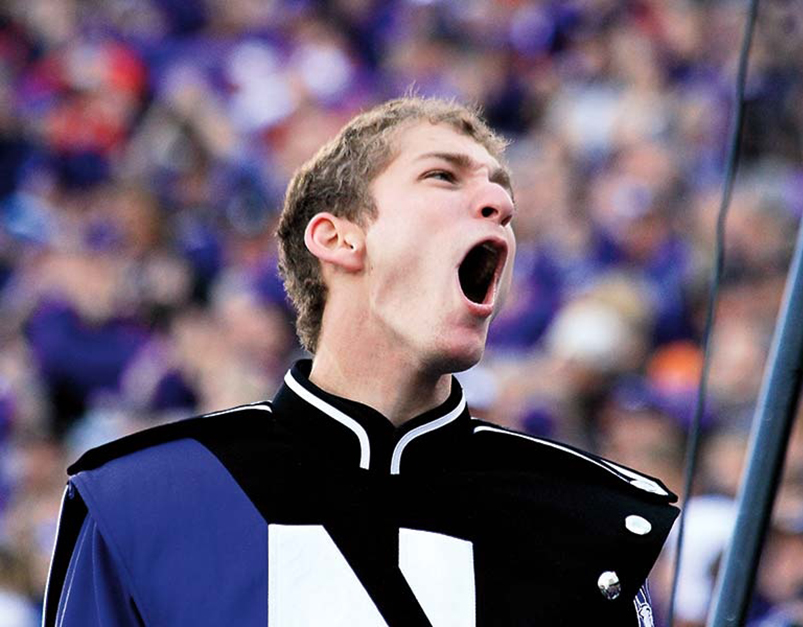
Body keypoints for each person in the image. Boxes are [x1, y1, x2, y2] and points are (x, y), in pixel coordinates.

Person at [43, 97, 679, 626]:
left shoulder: (588, 523)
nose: (501, 206)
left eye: (500, 192)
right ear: (339, 237)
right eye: (443, 176)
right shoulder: (145, 500)